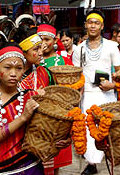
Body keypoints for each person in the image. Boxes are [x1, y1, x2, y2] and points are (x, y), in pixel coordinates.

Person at [0, 42, 44, 174]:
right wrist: (23, 117)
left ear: (24, 69)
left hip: (31, 166)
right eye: (7, 67)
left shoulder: (31, 96)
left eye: (19, 68)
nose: (13, 73)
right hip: (0, 168)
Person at [72, 9, 120, 175]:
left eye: (96, 23)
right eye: (90, 22)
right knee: (87, 129)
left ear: (102, 26)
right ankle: (91, 164)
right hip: (86, 94)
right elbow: (76, 75)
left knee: (106, 128)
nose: (92, 25)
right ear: (85, 25)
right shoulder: (78, 49)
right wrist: (76, 99)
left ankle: (114, 161)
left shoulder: (112, 46)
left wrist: (113, 85)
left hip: (106, 94)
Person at [37, 24, 73, 175]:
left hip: (59, 114)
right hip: (38, 114)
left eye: (47, 39)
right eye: (40, 40)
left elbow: (73, 87)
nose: (43, 43)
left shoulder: (64, 61)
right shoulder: (33, 61)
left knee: (55, 159)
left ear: (55, 40)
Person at [12, 26, 49, 93]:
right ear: (23, 53)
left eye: (40, 48)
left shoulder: (42, 72)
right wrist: (35, 94)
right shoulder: (10, 75)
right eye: (36, 49)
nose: (40, 53)